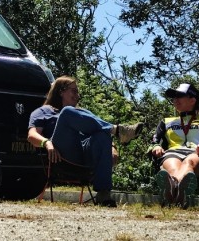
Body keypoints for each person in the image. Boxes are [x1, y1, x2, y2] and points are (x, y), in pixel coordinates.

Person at [27, 76, 143, 207]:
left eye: (78, 92)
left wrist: (111, 146)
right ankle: (118, 130)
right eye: (74, 91)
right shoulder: (43, 111)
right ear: (61, 92)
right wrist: (46, 143)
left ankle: (103, 194)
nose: (78, 95)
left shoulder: (82, 113)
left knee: (101, 135)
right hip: (62, 155)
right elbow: (32, 135)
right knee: (66, 112)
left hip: (85, 154)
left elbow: (99, 130)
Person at [148, 83, 199, 207]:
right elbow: (154, 141)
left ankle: (171, 193)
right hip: (172, 153)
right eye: (174, 97)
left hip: (197, 154)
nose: (175, 100)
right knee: (173, 165)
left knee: (189, 162)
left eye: (179, 96)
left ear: (192, 100)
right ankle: (180, 195)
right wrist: (156, 147)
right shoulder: (166, 122)